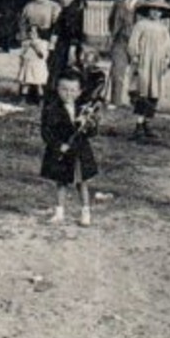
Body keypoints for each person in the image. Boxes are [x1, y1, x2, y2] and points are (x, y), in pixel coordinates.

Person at [40, 69, 98, 227]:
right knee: (61, 182)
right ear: (57, 89)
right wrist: (58, 146)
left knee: (82, 183)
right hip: (62, 153)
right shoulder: (51, 109)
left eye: (73, 90)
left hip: (79, 152)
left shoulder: (84, 109)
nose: (68, 93)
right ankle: (59, 212)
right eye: (64, 89)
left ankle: (85, 212)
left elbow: (92, 132)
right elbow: (46, 132)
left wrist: (89, 125)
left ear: (79, 92)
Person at [127, 0, 170, 140]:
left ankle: (148, 123)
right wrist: (135, 56)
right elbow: (133, 43)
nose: (155, 13)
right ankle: (138, 125)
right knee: (142, 92)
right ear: (148, 11)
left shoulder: (163, 29)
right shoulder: (141, 25)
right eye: (153, 9)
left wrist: (167, 59)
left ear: (162, 13)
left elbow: (168, 47)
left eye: (159, 10)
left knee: (153, 93)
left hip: (157, 64)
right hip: (143, 62)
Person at [16, 0, 60, 104]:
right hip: (30, 39)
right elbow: (22, 23)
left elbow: (57, 25)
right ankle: (27, 95)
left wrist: (52, 40)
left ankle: (44, 95)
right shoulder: (29, 6)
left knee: (42, 67)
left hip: (46, 38)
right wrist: (25, 37)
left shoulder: (54, 6)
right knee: (27, 66)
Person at [107, 0, 143, 107]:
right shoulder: (118, 3)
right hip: (120, 41)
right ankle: (115, 101)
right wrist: (113, 34)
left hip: (138, 42)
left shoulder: (144, 3)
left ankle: (135, 102)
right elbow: (111, 20)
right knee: (117, 71)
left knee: (137, 73)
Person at [47, 0, 88, 89]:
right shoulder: (68, 9)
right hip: (64, 43)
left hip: (68, 44)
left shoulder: (73, 10)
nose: (60, 0)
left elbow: (74, 30)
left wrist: (73, 47)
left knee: (64, 68)